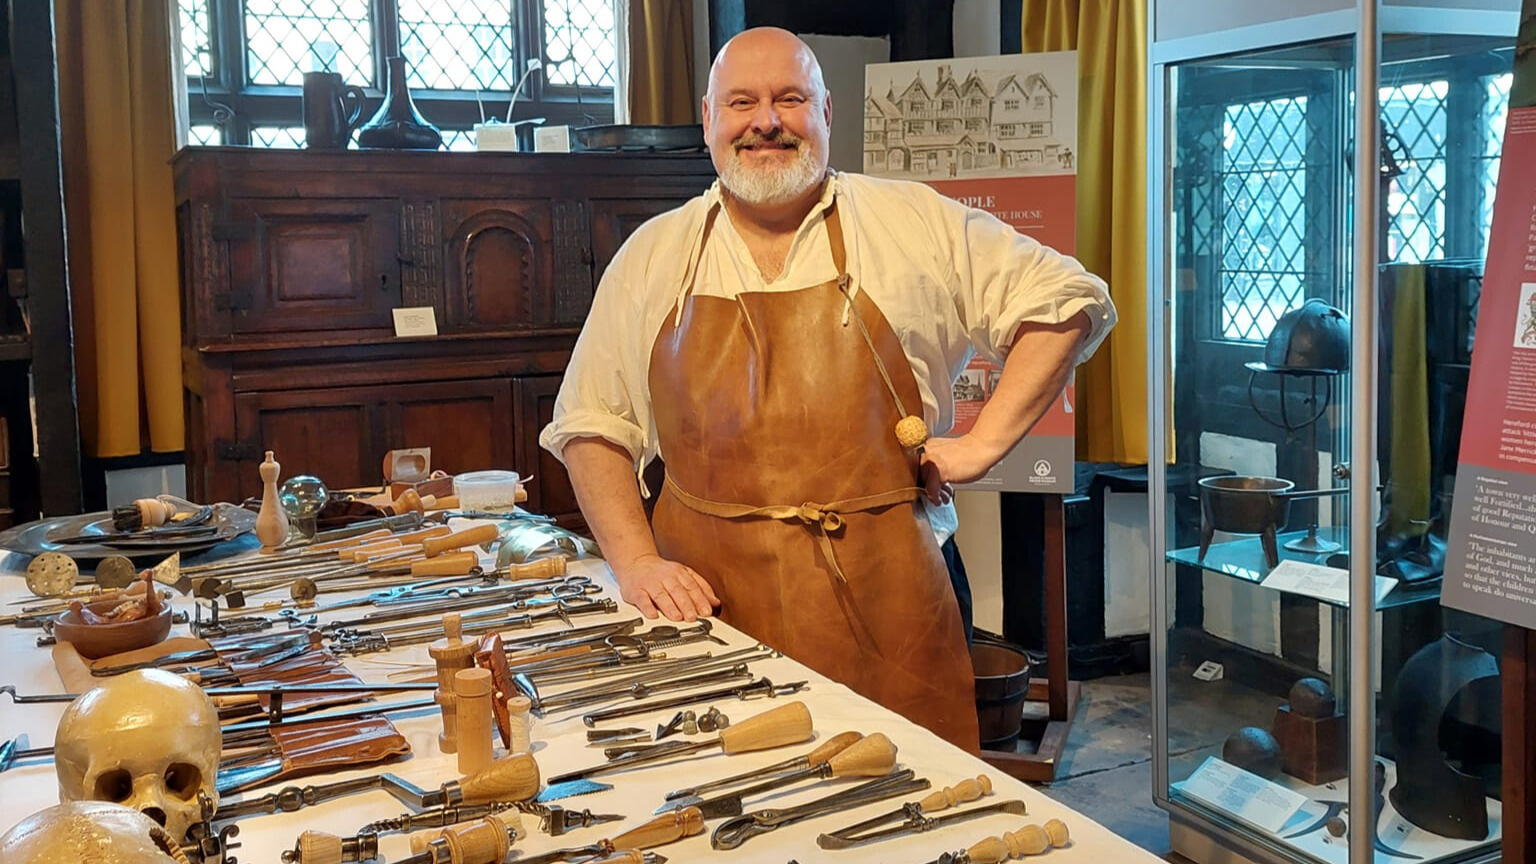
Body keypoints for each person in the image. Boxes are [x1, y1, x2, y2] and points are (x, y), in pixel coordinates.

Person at [538, 27, 1115, 752]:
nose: (766, 122)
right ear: (710, 120)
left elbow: (1065, 299)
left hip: (893, 604)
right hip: (709, 611)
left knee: (910, 817)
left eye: (790, 99)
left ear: (827, 113)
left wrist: (982, 445)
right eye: (741, 103)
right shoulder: (654, 255)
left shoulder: (912, 222)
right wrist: (638, 561)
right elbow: (593, 425)